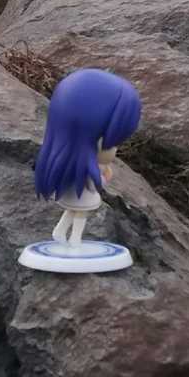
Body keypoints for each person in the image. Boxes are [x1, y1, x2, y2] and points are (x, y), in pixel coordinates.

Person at [34, 68, 141, 247]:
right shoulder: (82, 170)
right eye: (111, 144)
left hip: (74, 195)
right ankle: (75, 239)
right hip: (81, 195)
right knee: (79, 214)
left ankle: (60, 232)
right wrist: (104, 177)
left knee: (71, 211)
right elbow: (94, 184)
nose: (114, 151)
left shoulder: (71, 165)